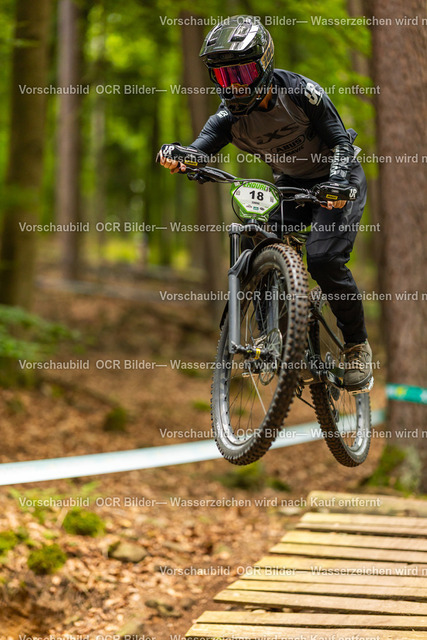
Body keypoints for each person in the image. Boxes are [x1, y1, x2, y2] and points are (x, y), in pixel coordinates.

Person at [158, 15, 373, 392]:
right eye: (223, 76)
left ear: (264, 64)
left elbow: (340, 141)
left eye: (241, 73)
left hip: (339, 178)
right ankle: (269, 334)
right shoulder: (227, 118)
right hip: (291, 184)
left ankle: (357, 347)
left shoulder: (301, 93)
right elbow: (199, 149)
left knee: (323, 259)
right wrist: (181, 157)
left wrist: (338, 182)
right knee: (256, 239)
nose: (234, 85)